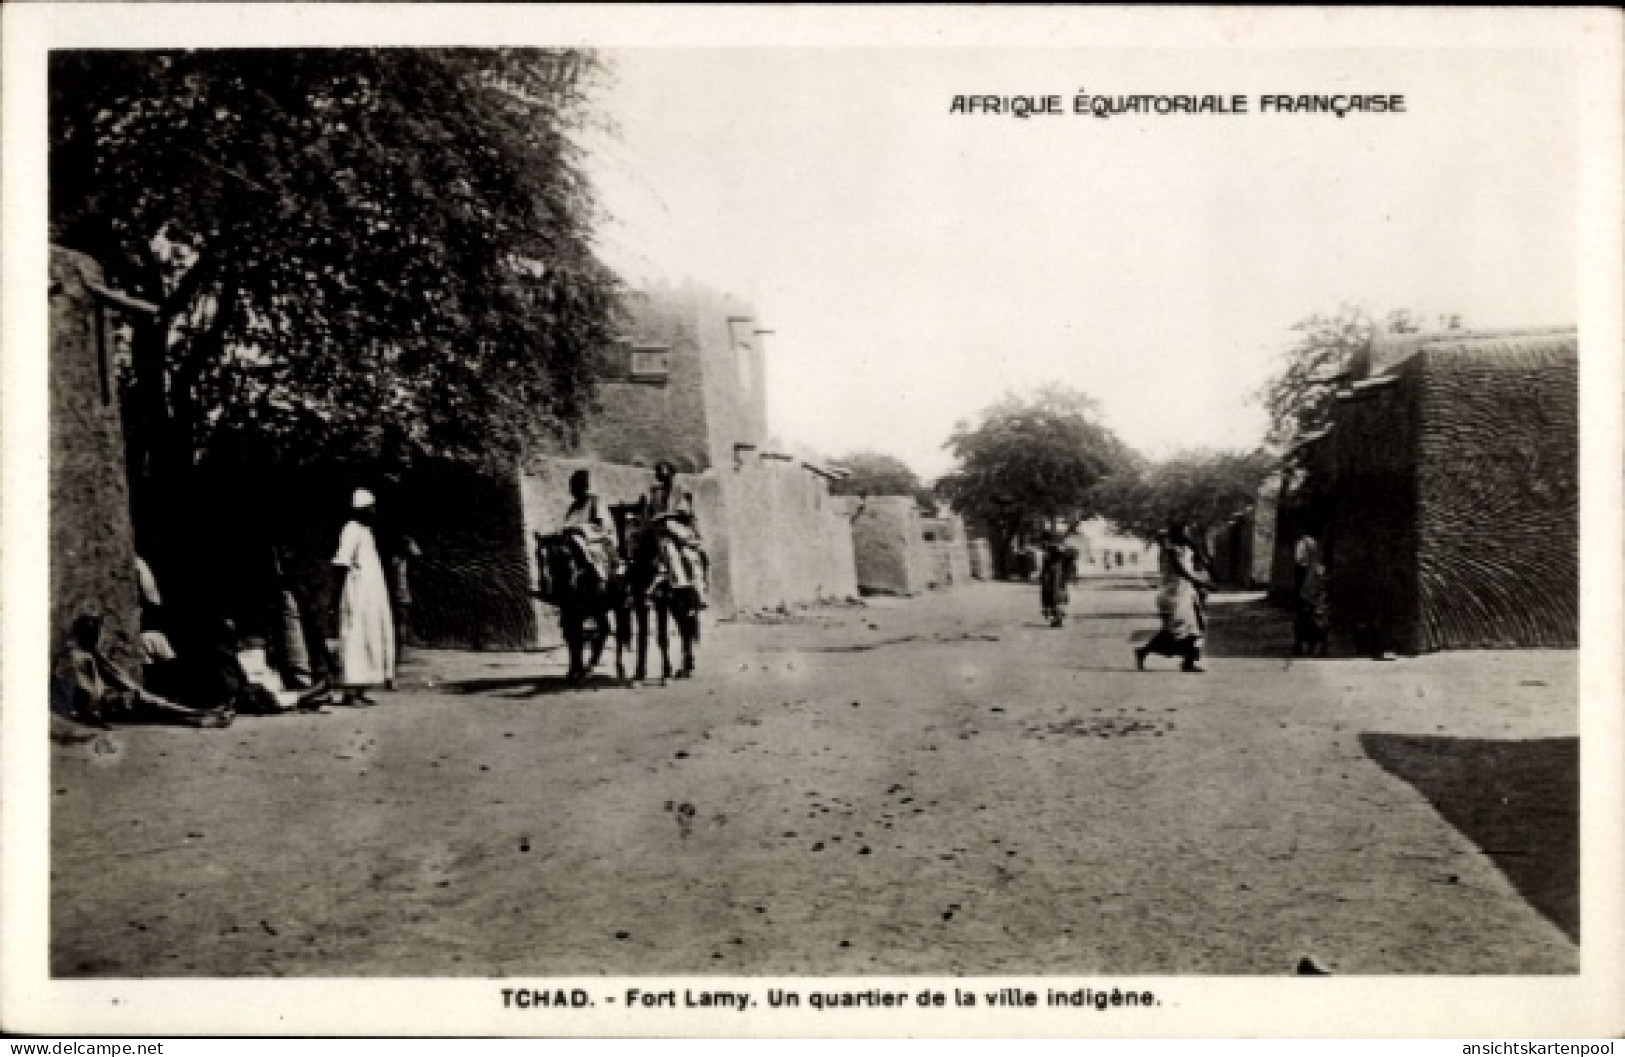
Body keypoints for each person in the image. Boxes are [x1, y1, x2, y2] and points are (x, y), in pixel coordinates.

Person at [52, 613, 232, 729]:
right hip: (107, 705)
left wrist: (133, 690)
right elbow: (88, 691)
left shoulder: (84, 652)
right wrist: (98, 715)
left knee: (158, 707)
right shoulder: (81, 656)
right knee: (159, 708)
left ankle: (206, 715)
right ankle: (206, 715)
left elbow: (114, 674)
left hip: (111, 700)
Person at [332, 488, 396, 707]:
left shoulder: (366, 531)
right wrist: (335, 597)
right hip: (357, 594)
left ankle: (360, 689)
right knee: (355, 637)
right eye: (371, 507)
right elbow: (342, 562)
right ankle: (350, 691)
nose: (374, 511)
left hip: (371, 594)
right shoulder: (351, 529)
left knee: (370, 636)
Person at [1134, 524, 1211, 673]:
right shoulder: (1172, 551)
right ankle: (1143, 651)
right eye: (1183, 532)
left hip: (1186, 593)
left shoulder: (1186, 549)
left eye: (1187, 532)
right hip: (1173, 595)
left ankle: (1188, 662)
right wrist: (1202, 582)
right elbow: (1181, 571)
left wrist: (1195, 547)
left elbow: (1200, 562)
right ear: (1176, 535)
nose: (1187, 535)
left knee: (1197, 627)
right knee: (1175, 631)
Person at [645, 461, 709, 606]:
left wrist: (663, 516)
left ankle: (695, 590)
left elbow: (684, 512)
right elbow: (650, 512)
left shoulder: (681, 490)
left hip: (681, 529)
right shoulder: (655, 492)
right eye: (658, 471)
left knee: (688, 555)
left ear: (671, 473)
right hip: (661, 531)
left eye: (663, 471)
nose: (660, 474)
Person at [560, 470, 618, 586]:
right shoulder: (574, 506)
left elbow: (605, 528)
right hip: (577, 541)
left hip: (599, 542)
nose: (571, 490)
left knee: (577, 541)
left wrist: (581, 529)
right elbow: (567, 525)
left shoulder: (595, 502)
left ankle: (598, 578)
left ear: (583, 486)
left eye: (574, 486)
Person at [1039, 537, 1074, 627]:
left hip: (1054, 586)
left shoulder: (1052, 566)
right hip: (1059, 586)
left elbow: (1046, 576)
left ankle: (1057, 619)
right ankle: (1057, 618)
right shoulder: (1059, 565)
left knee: (1054, 600)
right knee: (1057, 601)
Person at [1293, 532, 1321, 600]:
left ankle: (1298, 601)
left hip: (1302, 565)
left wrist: (1299, 560)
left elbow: (1300, 557)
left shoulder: (1304, 542)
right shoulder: (1313, 542)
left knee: (1299, 585)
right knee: (1304, 584)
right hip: (1307, 565)